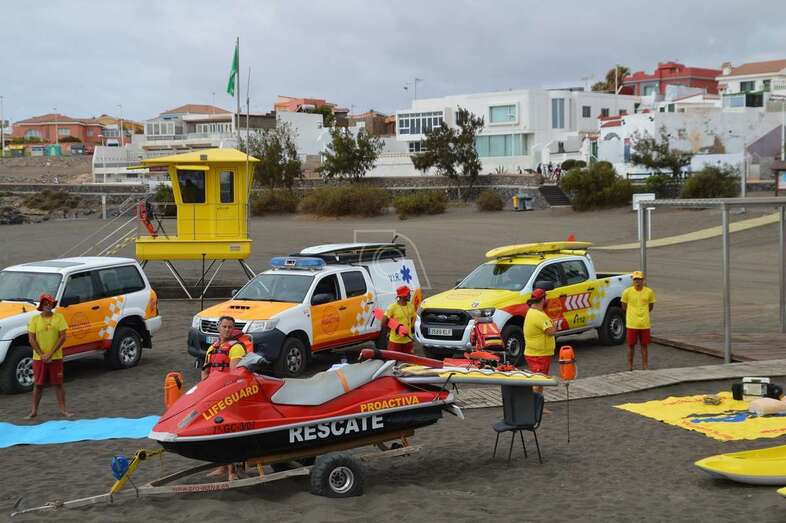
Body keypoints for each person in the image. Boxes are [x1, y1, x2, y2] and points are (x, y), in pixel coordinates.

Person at [202, 316, 246, 481]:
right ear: (218, 327)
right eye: (224, 326)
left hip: (229, 396)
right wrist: (203, 392)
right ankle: (222, 467)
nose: (227, 329)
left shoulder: (236, 348)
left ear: (233, 329)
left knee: (230, 433)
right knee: (216, 432)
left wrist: (226, 395)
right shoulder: (212, 348)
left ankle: (232, 472)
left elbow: (234, 375)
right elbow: (205, 372)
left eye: (230, 327)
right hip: (213, 395)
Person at [27, 293, 71, 418]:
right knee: (38, 385)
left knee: (58, 383)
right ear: (41, 305)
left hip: (55, 357)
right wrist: (42, 355)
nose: (48, 305)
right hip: (38, 358)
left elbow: (63, 337)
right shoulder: (35, 319)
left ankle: (63, 410)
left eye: (50, 303)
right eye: (45, 303)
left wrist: (50, 354)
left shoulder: (59, 318)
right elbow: (31, 339)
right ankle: (34, 411)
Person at [523, 288, 557, 394]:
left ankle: (539, 402)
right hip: (539, 356)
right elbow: (551, 331)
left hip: (536, 354)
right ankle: (533, 403)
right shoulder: (539, 315)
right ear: (542, 300)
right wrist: (554, 325)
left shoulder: (532, 312)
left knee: (540, 381)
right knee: (537, 383)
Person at [621, 271, 656, 371]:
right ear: (633, 281)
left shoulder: (649, 292)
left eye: (639, 279)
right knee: (630, 345)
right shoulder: (627, 292)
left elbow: (650, 306)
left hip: (644, 324)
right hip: (632, 323)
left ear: (643, 280)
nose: (637, 281)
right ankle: (630, 366)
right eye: (635, 279)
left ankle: (645, 366)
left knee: (644, 345)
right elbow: (624, 306)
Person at [383, 285, 416, 353]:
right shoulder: (392, 307)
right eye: (408, 294)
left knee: (408, 359)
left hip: (408, 341)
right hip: (395, 342)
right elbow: (383, 322)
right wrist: (394, 329)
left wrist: (409, 330)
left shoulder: (411, 306)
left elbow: (412, 319)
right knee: (393, 359)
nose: (410, 295)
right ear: (403, 296)